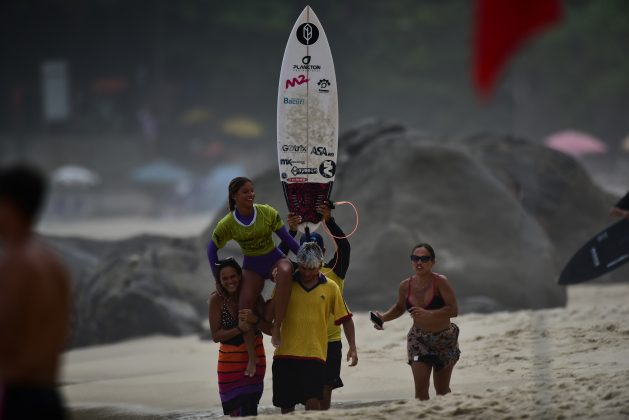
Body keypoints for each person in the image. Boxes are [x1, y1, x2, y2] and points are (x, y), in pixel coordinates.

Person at [207, 177, 300, 377]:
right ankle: (252, 357)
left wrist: (307, 257)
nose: (251, 194)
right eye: (245, 192)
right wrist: (217, 278)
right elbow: (211, 249)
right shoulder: (229, 223)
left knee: (286, 270)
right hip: (252, 267)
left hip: (273, 258)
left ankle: (276, 327)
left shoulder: (267, 212)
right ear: (234, 196)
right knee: (244, 304)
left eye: (252, 190)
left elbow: (287, 241)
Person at [0, 163, 71, 419]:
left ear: (8, 207)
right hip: (50, 393)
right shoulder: (52, 262)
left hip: (21, 394)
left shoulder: (16, 264)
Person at [271, 242, 357, 413]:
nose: (307, 273)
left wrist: (352, 347)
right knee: (286, 408)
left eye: (312, 268)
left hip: (315, 356)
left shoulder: (331, 287)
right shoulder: (286, 284)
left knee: (313, 406)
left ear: (320, 265)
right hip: (285, 355)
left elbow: (346, 318)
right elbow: (273, 311)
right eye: (303, 268)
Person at [280, 202, 350, 410]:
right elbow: (275, 259)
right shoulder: (294, 273)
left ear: (324, 251)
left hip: (329, 341)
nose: (310, 258)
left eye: (316, 250)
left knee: (322, 399)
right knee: (295, 398)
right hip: (299, 342)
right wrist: (291, 231)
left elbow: (344, 247)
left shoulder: (335, 270)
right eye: (304, 252)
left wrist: (329, 221)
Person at [372, 243, 459, 401]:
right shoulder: (405, 286)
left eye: (424, 259)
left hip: (444, 339)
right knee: (420, 390)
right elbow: (399, 307)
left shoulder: (440, 282)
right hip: (418, 340)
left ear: (433, 262)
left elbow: (454, 310)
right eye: (415, 258)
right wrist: (383, 318)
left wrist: (429, 313)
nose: (419, 262)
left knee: (442, 391)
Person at [209, 258, 272, 417]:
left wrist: (255, 320)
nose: (230, 281)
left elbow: (270, 330)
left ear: (240, 276)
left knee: (250, 409)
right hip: (229, 363)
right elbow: (216, 336)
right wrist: (238, 329)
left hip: (255, 357)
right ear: (219, 280)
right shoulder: (216, 300)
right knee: (234, 411)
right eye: (225, 278)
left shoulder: (253, 296)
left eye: (233, 276)